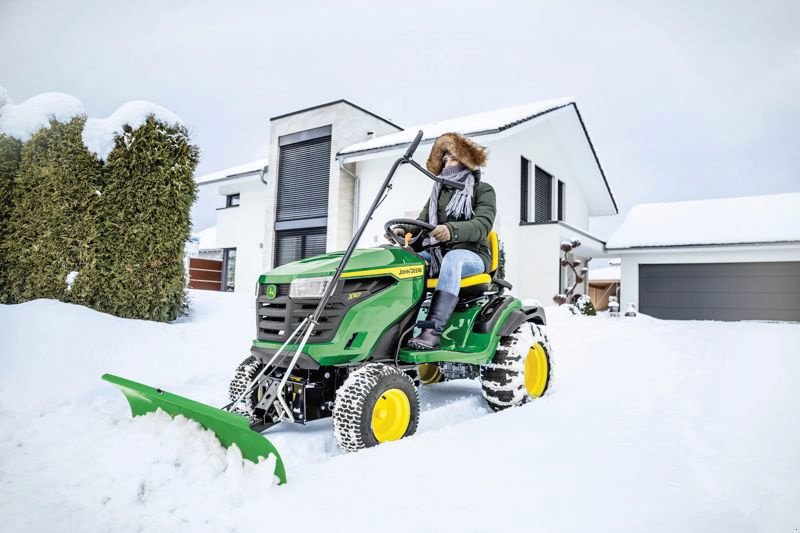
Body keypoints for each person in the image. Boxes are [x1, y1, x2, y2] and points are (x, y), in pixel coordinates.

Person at [389, 132, 496, 350]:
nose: (447, 163)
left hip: (472, 256)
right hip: (438, 254)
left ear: (467, 162)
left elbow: (483, 225)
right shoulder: (437, 192)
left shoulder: (482, 190)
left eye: (453, 158)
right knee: (407, 262)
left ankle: (432, 331)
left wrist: (451, 230)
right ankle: (397, 327)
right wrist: (403, 230)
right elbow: (421, 222)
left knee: (453, 259)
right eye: (444, 159)